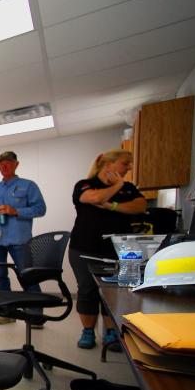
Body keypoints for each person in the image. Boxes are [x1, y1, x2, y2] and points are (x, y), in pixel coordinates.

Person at [68, 149, 146, 349]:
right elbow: (93, 199)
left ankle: (111, 332)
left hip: (119, 250)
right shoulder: (85, 185)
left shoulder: (129, 188)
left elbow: (139, 206)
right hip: (84, 248)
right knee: (87, 290)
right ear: (107, 164)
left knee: (113, 292)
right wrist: (116, 188)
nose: (129, 167)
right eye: (125, 163)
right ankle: (87, 332)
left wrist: (112, 205)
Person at [0, 151, 46, 323]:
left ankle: (36, 314)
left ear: (16, 164)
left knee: (28, 276)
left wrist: (16, 211)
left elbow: (40, 209)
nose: (4, 166)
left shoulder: (28, 186)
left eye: (8, 162)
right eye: (1, 163)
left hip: (19, 240)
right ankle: (6, 313)